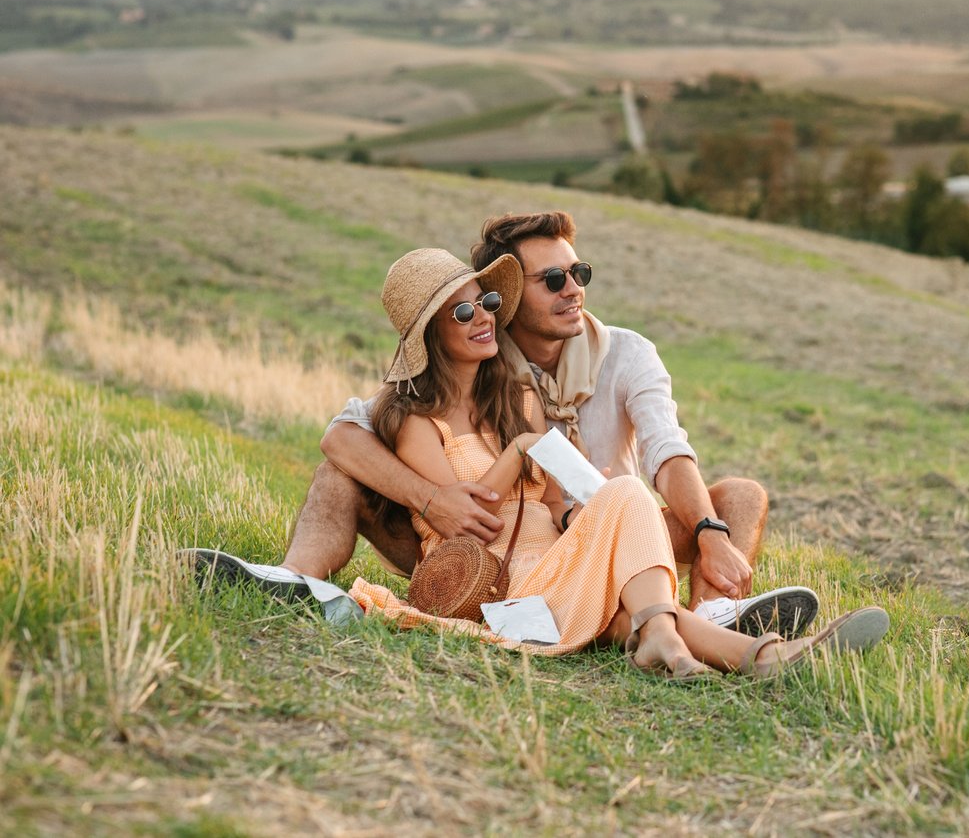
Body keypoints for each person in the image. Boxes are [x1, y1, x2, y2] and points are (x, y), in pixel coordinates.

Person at [209, 211, 820, 638]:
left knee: (738, 496)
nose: (572, 290)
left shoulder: (628, 352)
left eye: (578, 274)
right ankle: (296, 581)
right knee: (338, 471)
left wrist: (708, 530)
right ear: (512, 295)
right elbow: (346, 430)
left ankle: (713, 614)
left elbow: (668, 453)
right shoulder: (475, 354)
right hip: (472, 541)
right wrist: (433, 498)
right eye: (552, 279)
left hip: (602, 531)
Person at [341, 246, 889, 677]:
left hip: (555, 557)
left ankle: (746, 656)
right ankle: (760, 651)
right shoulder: (415, 420)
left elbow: (555, 499)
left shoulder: (516, 397)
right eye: (463, 310)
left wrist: (577, 517)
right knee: (628, 496)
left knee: (625, 571)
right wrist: (520, 451)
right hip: (501, 576)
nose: (484, 317)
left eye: (485, 303)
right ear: (432, 332)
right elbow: (468, 514)